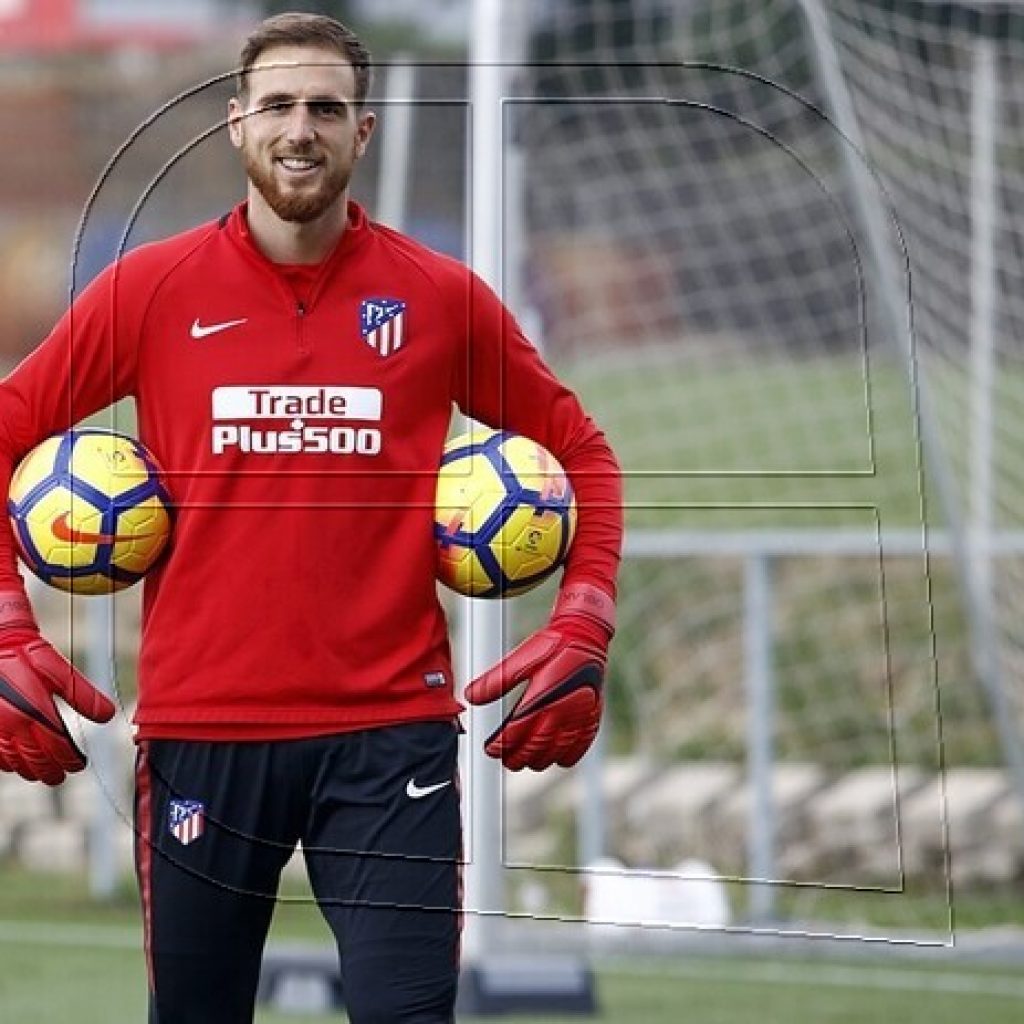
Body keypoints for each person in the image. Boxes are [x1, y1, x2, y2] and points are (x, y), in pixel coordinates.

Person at [0, 12, 622, 1024]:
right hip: (204, 734)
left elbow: (583, 453)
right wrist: (7, 625)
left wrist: (584, 615)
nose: (302, 128)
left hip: (390, 739)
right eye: (279, 106)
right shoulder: (149, 293)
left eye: (326, 108)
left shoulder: (441, 300)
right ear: (237, 126)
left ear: (361, 133)